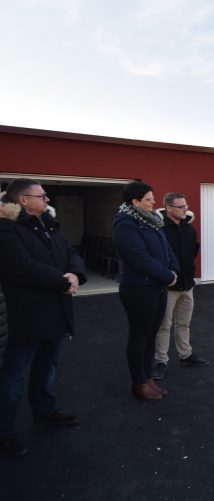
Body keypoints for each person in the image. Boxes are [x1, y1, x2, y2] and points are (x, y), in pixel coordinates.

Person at [0, 180, 87, 458]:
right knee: (13, 377)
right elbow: (21, 267)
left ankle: (45, 412)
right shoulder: (7, 228)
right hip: (25, 316)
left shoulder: (49, 225)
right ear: (23, 200)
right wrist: (62, 282)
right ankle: (5, 433)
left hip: (56, 313)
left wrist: (75, 274)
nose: (47, 199)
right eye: (42, 195)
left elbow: (71, 252)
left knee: (47, 366)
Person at [113, 182, 179, 400]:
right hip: (139, 289)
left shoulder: (151, 221)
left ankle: (147, 376)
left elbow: (166, 248)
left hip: (156, 287)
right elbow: (139, 257)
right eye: (149, 199)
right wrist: (166, 275)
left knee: (150, 335)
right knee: (140, 336)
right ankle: (139, 382)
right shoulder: (125, 223)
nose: (153, 202)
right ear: (135, 202)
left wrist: (173, 269)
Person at [152, 193, 208, 381]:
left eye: (186, 205)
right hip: (168, 287)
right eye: (181, 206)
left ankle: (185, 355)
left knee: (184, 323)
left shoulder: (189, 230)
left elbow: (191, 254)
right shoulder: (159, 230)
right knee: (164, 326)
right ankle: (161, 361)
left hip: (187, 286)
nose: (186, 209)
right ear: (168, 208)